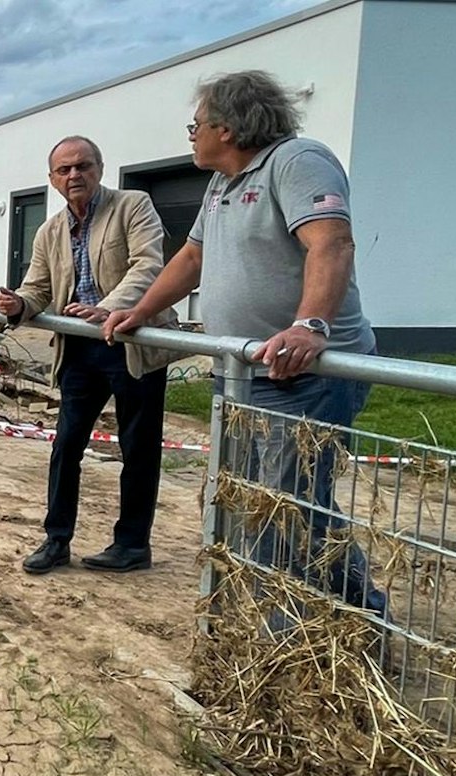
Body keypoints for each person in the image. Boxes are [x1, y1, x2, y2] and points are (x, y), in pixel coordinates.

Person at [102, 70, 386, 613]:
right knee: (271, 505)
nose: (192, 134)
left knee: (287, 510)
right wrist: (136, 309)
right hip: (245, 372)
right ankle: (306, 616)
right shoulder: (221, 184)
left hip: (304, 376)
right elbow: (191, 259)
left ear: (228, 128)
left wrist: (310, 326)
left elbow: (332, 243)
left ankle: (323, 623)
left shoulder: (298, 162)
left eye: (197, 124)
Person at [0, 136, 187, 576]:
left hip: (131, 347)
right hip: (80, 351)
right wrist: (18, 305)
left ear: (100, 168)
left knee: (138, 449)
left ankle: (132, 545)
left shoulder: (132, 206)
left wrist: (113, 306)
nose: (74, 175)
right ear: (52, 179)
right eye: (64, 170)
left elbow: (148, 265)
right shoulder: (49, 229)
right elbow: (38, 287)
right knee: (66, 445)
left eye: (82, 166)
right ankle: (56, 539)